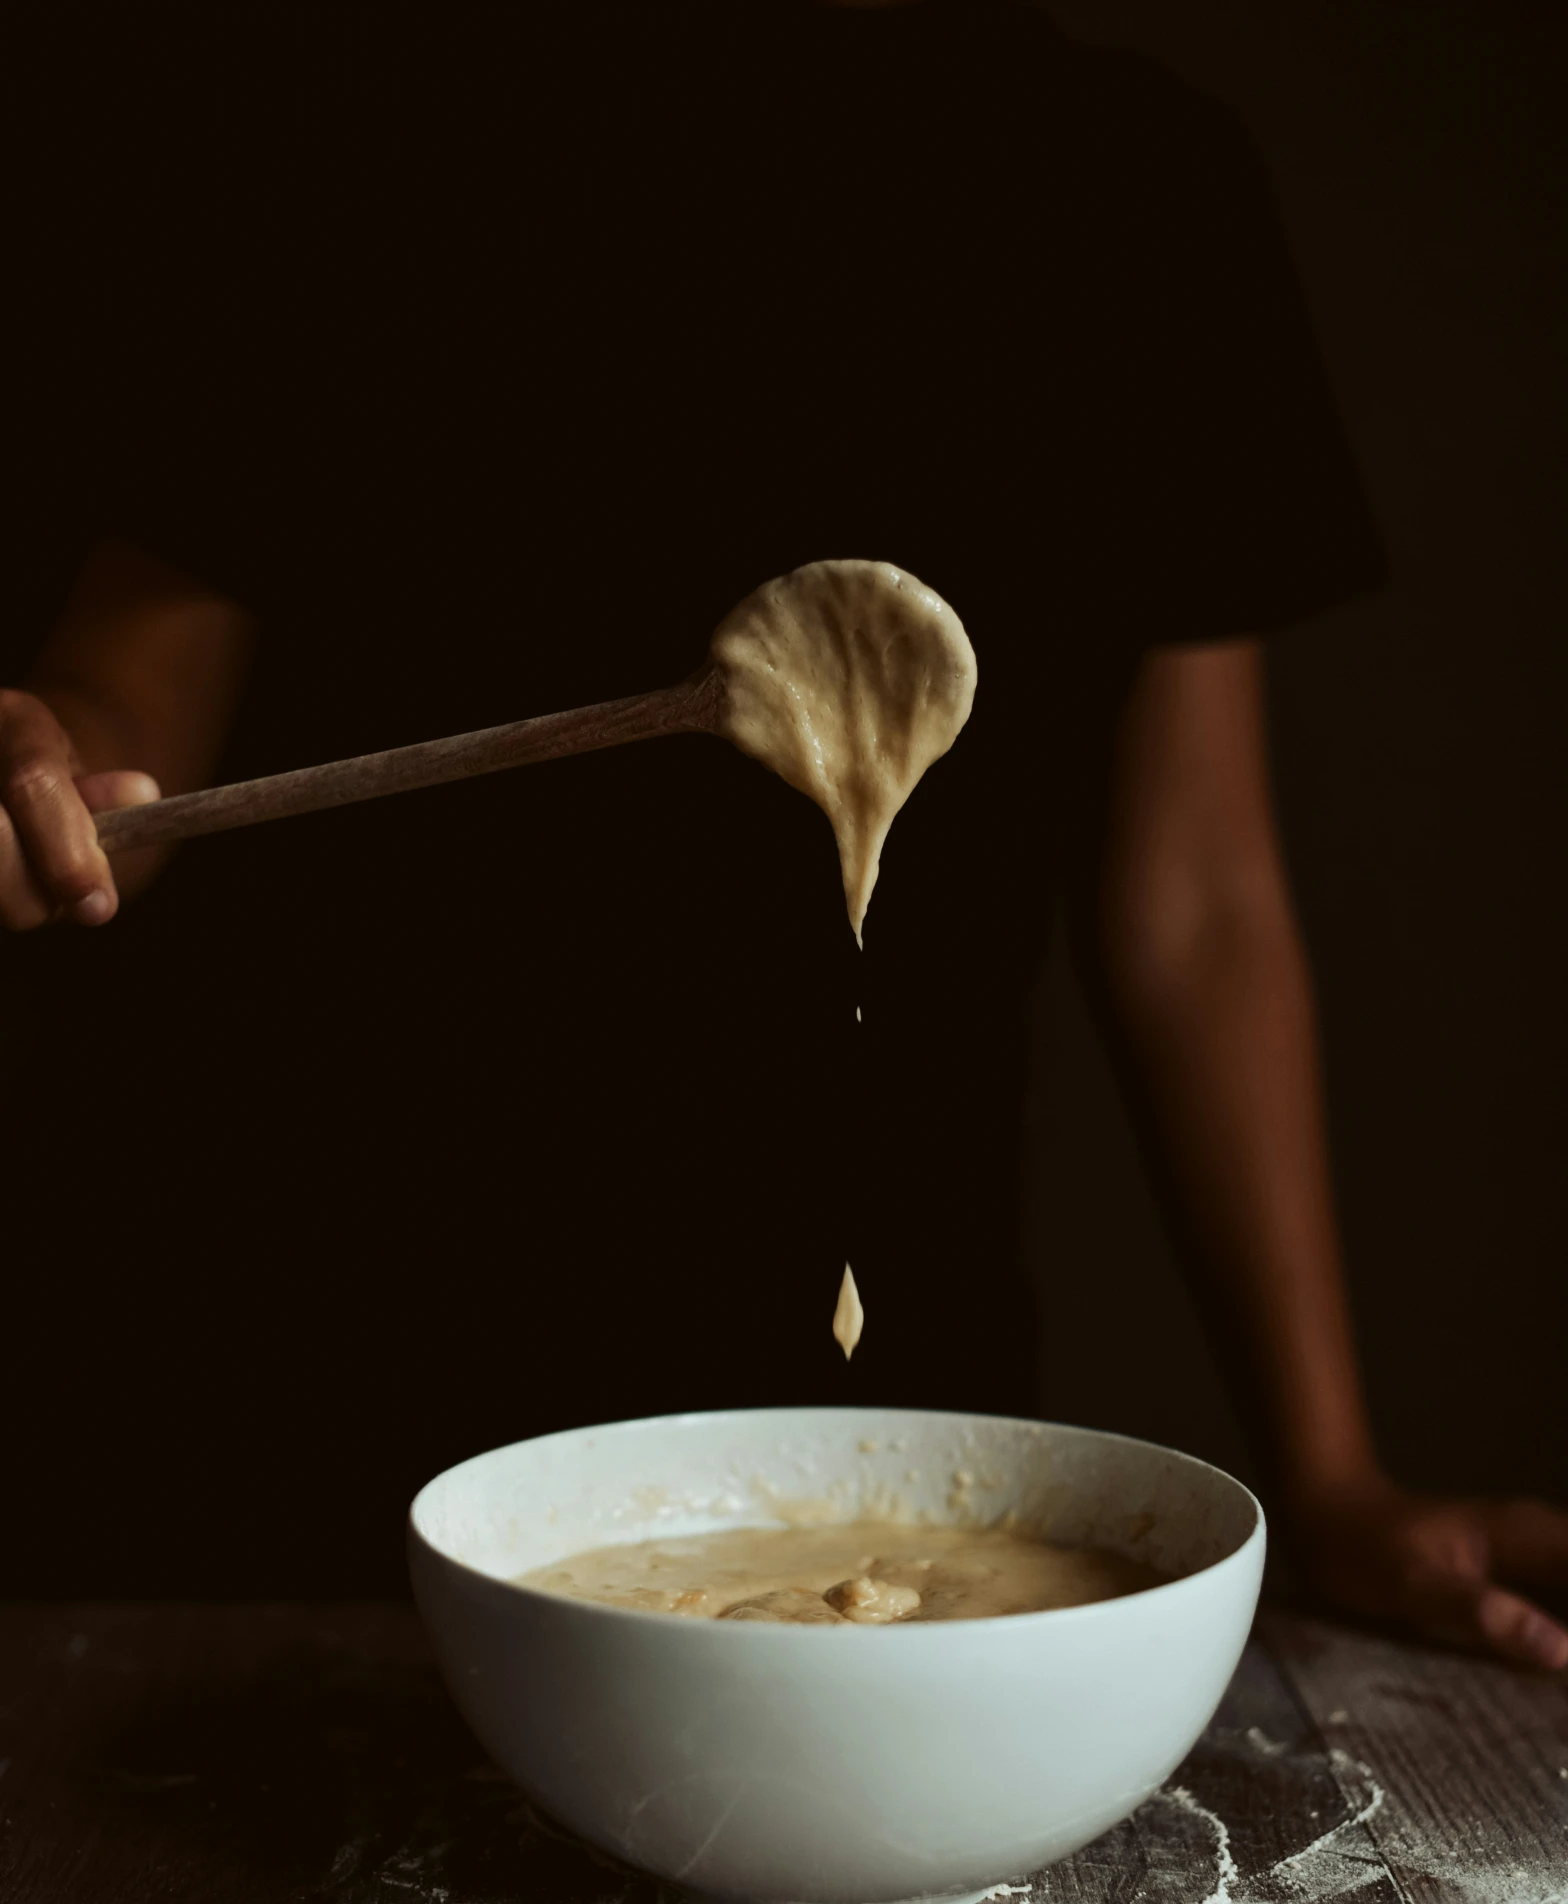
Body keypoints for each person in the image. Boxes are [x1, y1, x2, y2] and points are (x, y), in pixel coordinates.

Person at [4, 0, 1565, 1660]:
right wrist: (44, 789)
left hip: (894, 1428)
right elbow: (130, 759)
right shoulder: (306, 131)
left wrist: (1325, 1480)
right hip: (301, 1385)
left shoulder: (1141, 188)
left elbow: (1198, 905)